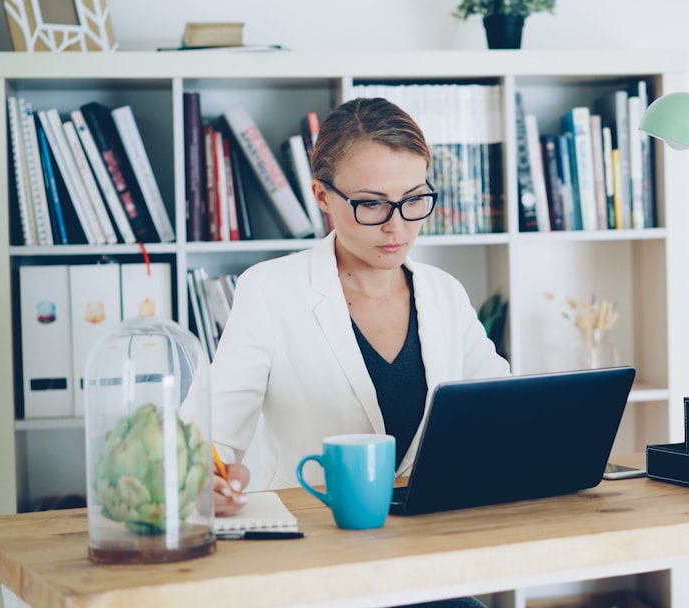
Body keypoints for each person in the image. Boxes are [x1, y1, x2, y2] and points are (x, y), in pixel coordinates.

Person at [200, 97, 510, 517]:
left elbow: (504, 410)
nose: (396, 226)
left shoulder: (443, 293)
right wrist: (207, 475)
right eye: (371, 203)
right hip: (317, 537)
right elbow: (207, 435)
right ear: (323, 197)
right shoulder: (269, 290)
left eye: (414, 199)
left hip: (433, 533)